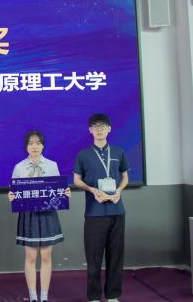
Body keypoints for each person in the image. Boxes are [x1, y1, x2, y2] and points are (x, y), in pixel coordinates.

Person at [8, 130, 71, 302]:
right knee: (30, 257)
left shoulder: (52, 165)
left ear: (43, 146)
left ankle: (44, 296)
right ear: (26, 147)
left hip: (48, 214)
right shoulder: (19, 167)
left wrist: (65, 192)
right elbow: (13, 191)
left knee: (46, 256)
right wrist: (11, 196)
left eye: (38, 143)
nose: (34, 146)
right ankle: (33, 296)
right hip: (28, 215)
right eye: (30, 143)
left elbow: (58, 190)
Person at [73, 114, 129, 302]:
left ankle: (113, 295)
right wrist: (92, 189)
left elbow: (125, 177)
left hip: (117, 211)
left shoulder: (119, 152)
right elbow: (77, 180)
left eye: (103, 126)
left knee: (116, 256)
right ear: (90, 130)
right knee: (94, 258)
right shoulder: (83, 154)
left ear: (109, 129)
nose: (99, 129)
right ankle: (94, 296)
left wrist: (119, 190)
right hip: (94, 212)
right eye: (95, 126)